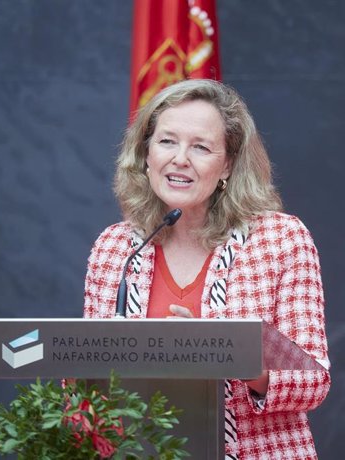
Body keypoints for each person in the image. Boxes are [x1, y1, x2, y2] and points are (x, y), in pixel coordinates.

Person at [83, 79, 330, 459]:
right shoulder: (116, 247)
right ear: (145, 154)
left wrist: (225, 352)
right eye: (167, 141)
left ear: (227, 164)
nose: (180, 158)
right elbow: (94, 380)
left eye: (200, 147)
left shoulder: (281, 239)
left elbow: (313, 380)